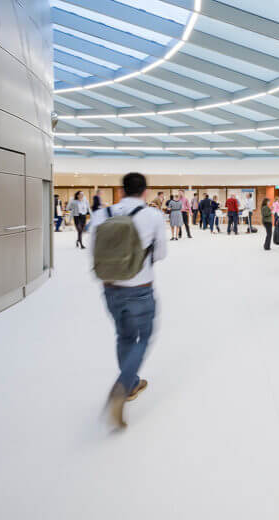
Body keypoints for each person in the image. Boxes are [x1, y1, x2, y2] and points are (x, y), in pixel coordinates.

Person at [88, 172, 167, 429]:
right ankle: (123, 385)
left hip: (110, 288)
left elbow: (93, 251)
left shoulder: (102, 214)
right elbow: (162, 254)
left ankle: (131, 384)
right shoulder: (153, 215)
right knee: (143, 337)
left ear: (121, 190)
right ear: (145, 191)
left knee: (123, 336)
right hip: (140, 287)